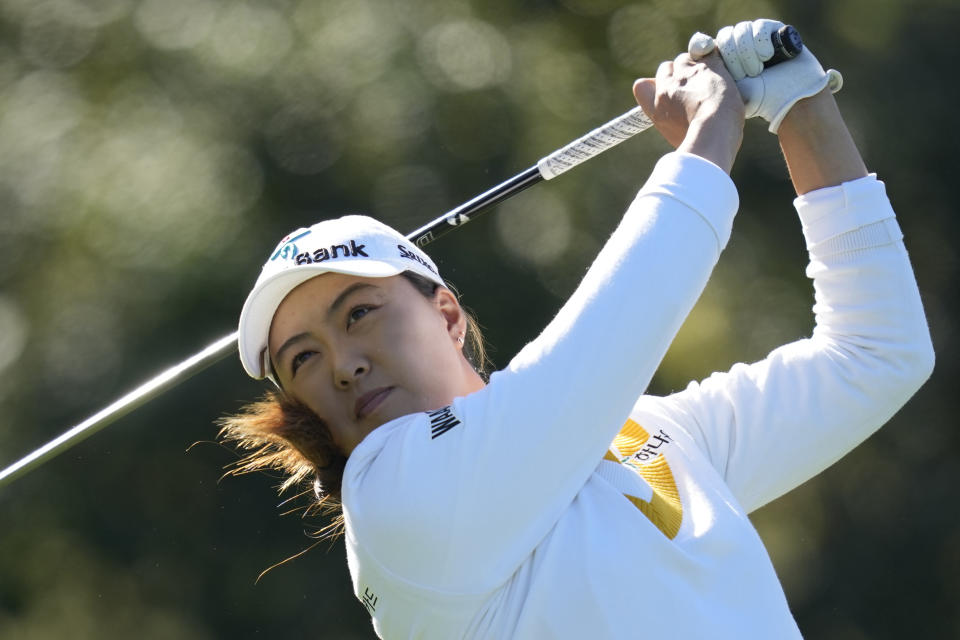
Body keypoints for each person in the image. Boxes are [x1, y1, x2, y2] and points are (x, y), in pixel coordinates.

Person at [220, 19, 934, 639]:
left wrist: (802, 109)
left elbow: (876, 354)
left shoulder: (634, 434)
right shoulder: (394, 503)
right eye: (303, 358)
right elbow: (600, 342)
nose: (343, 364)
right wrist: (708, 139)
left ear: (445, 313)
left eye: (358, 314)